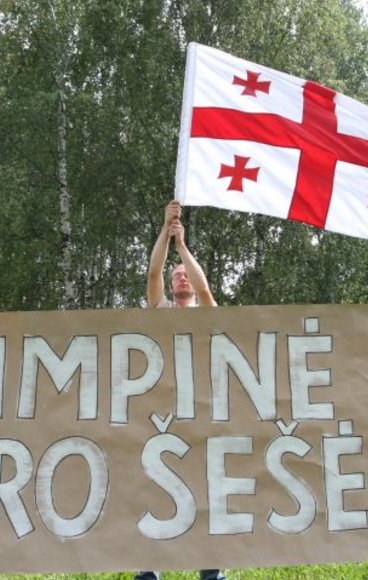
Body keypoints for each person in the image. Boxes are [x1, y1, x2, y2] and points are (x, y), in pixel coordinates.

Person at [139, 200, 222, 580]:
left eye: (183, 273)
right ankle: (149, 569)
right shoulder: (161, 311)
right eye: (177, 275)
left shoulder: (205, 311)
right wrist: (164, 230)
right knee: (153, 485)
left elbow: (204, 286)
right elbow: (154, 269)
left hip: (201, 406)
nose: (181, 278)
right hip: (162, 406)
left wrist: (183, 246)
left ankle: (210, 569)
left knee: (206, 486)